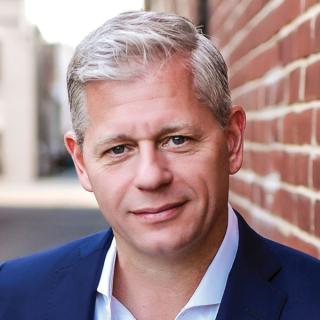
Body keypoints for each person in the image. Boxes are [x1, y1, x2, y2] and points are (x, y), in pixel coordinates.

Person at [0, 11, 319, 320]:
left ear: (232, 141)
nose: (151, 176)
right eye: (119, 149)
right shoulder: (12, 295)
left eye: (177, 140)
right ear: (81, 163)